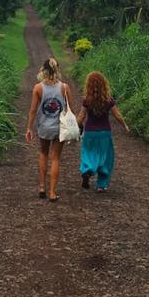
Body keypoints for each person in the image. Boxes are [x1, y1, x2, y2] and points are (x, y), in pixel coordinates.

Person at [25, 57, 73, 202]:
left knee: (43, 153)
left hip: (44, 127)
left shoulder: (38, 88)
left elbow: (33, 110)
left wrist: (29, 128)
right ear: (57, 69)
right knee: (56, 158)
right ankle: (52, 193)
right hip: (60, 128)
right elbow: (71, 108)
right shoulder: (64, 87)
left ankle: (42, 187)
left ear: (44, 70)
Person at [77, 71, 129, 192]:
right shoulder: (108, 99)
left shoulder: (87, 100)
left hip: (90, 132)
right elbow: (117, 115)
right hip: (105, 132)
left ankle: (87, 170)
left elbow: (81, 116)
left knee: (88, 153)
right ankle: (101, 184)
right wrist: (125, 125)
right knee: (106, 157)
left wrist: (75, 127)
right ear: (103, 84)